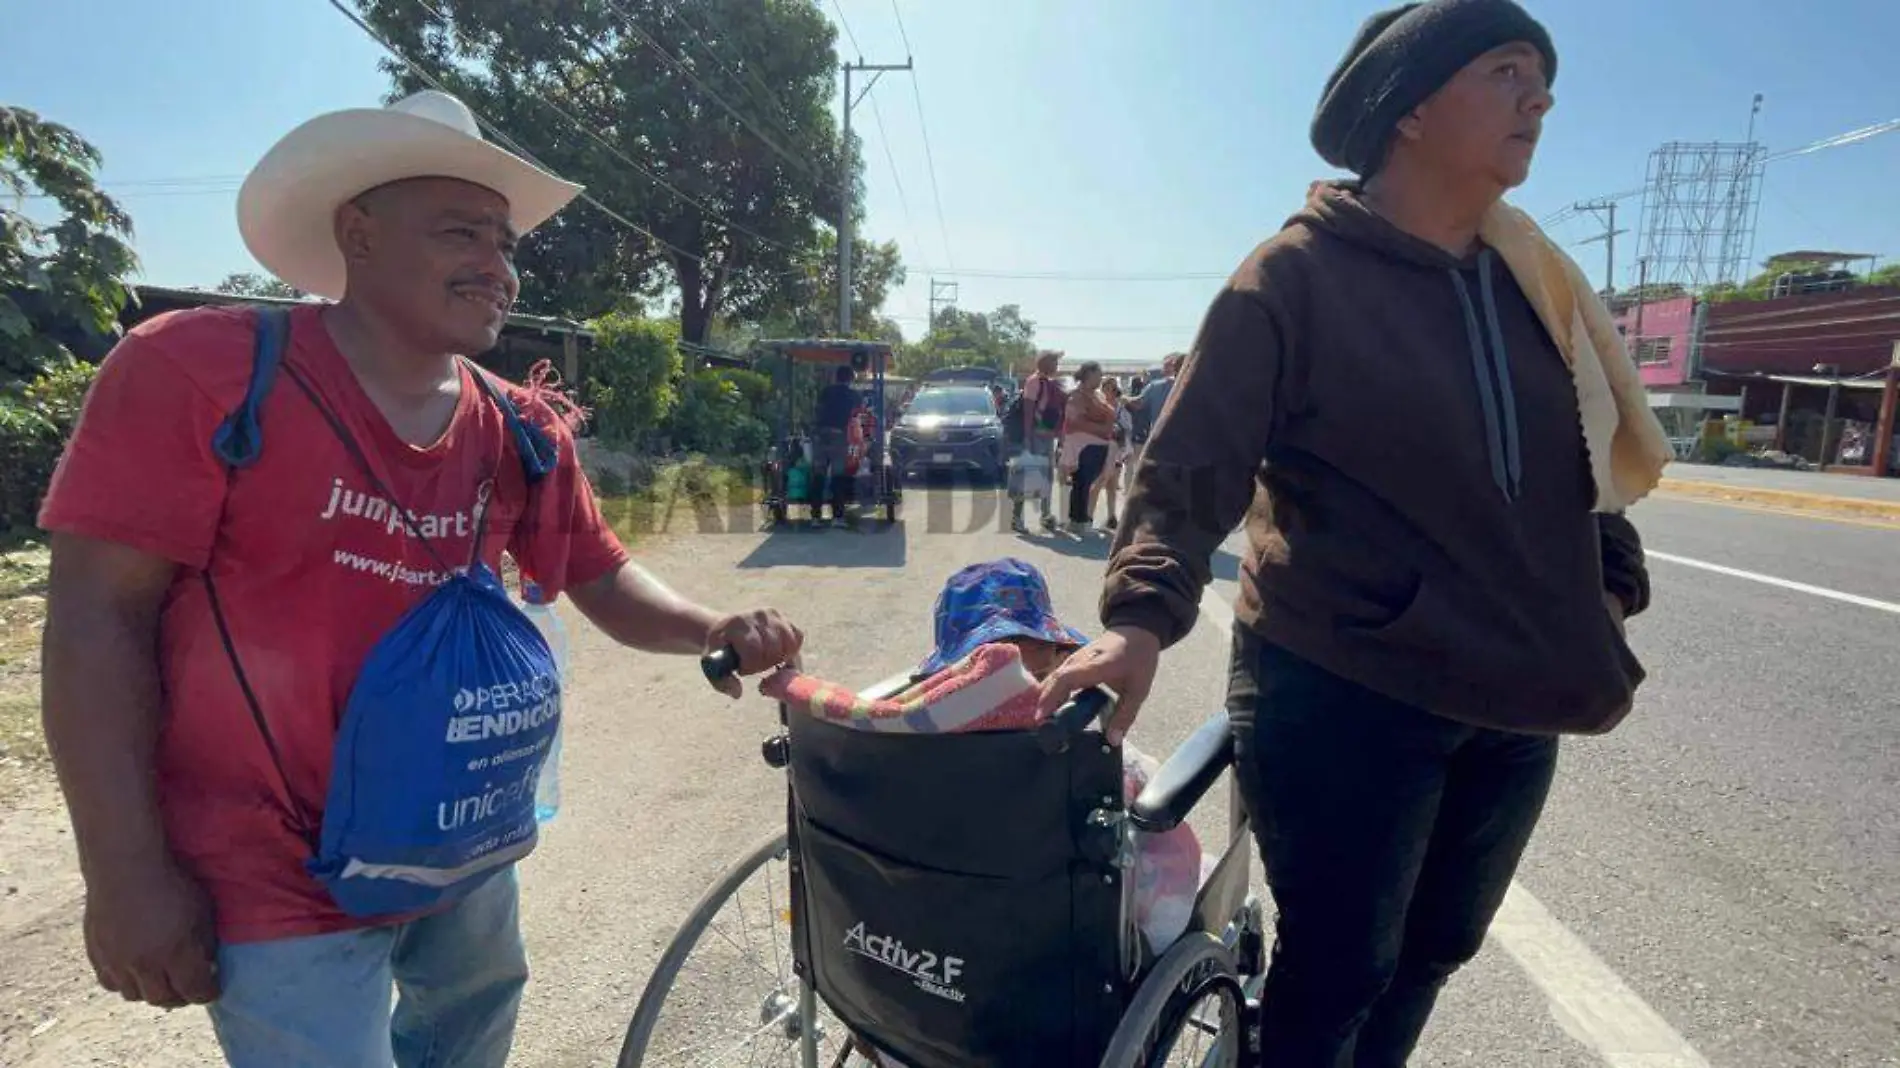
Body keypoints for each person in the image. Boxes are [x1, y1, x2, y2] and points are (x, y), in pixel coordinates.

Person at [35, 90, 804, 1068]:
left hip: (462, 839)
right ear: (357, 233)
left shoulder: (520, 424)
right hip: (277, 872)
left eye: (505, 241)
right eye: (460, 233)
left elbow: (596, 574)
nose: (498, 266)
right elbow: (99, 615)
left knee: (471, 1038)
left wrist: (712, 624)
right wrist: (126, 872)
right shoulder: (205, 374)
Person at [1037, 3, 1674, 1064]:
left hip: (1518, 697)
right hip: (1347, 687)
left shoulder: (1540, 287)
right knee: (1338, 970)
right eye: (1509, 71)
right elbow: (1192, 463)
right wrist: (1139, 620)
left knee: (1435, 952)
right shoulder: (1291, 278)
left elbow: (1591, 465)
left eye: (1544, 79)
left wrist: (1606, 596)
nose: (1541, 99)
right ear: (1411, 107)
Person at [1009, 350, 1065, 534]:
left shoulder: (1049, 383)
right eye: (1055, 362)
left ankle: (1046, 516)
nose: (1057, 366)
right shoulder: (1034, 382)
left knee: (1046, 477)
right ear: (1046, 363)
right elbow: (1028, 411)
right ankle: (1017, 518)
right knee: (1026, 476)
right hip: (1034, 437)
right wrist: (1027, 439)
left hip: (1046, 437)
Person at [1057, 361, 1115, 532]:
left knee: (1086, 481)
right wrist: (1102, 429)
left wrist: (1107, 429)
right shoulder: (1077, 396)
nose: (1100, 378)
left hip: (1099, 444)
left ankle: (1079, 519)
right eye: (1098, 375)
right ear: (1088, 375)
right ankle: (1078, 520)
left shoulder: (1096, 395)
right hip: (1084, 445)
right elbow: (1075, 422)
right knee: (1082, 481)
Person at [812, 364, 863, 527]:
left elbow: (817, 410)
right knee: (838, 477)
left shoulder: (825, 392)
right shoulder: (854, 395)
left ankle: (815, 518)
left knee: (818, 476)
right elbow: (859, 416)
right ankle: (838, 517)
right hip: (840, 436)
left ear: (836, 377)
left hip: (820, 436)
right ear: (851, 378)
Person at [1097, 376, 1134, 530]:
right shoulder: (1098, 404)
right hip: (1101, 447)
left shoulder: (1121, 407)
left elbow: (1128, 427)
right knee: (1100, 482)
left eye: (1113, 387)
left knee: (1112, 484)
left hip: (1117, 449)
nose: (1111, 390)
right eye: (1108, 387)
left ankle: (1112, 516)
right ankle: (1088, 515)